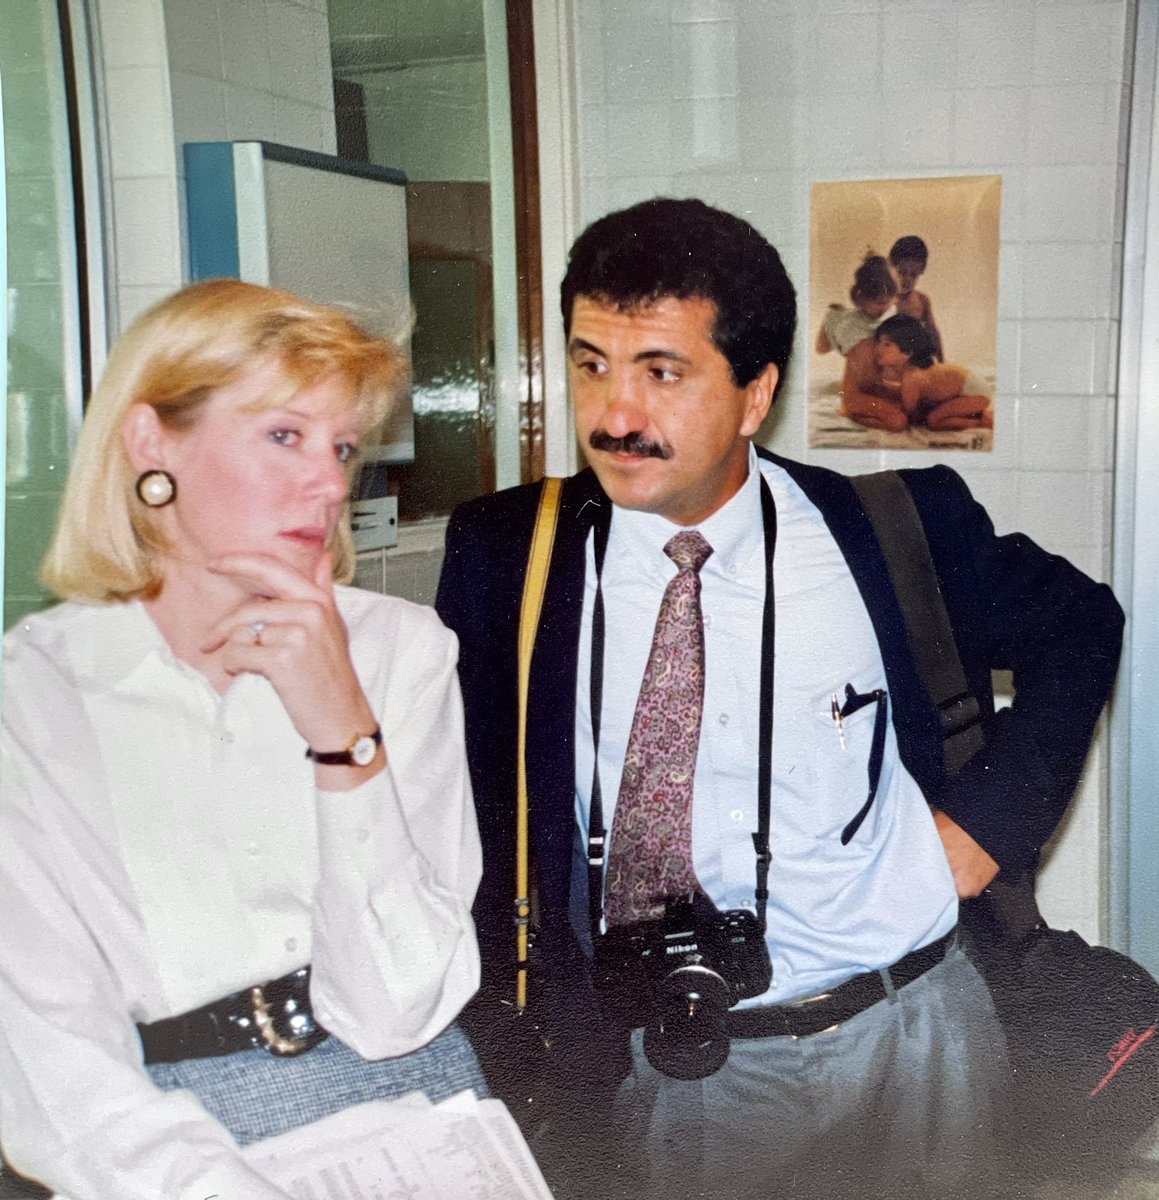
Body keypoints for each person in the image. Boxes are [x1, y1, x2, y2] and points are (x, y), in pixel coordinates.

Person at [435, 199, 1123, 1199]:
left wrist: (984, 826)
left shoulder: (890, 532)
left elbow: (1081, 621)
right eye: (591, 364)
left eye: (660, 372)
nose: (614, 414)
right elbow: (468, 804)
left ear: (755, 392)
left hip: (918, 1033)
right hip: (670, 1067)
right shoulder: (511, 556)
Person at [0, 280, 485, 1200]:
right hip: (157, 1152)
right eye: (284, 436)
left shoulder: (396, 652)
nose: (332, 481)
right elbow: (52, 1064)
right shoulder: (33, 695)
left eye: (340, 446)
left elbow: (400, 1009)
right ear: (150, 442)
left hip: (410, 1115)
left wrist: (342, 732)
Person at [873, 313, 993, 431]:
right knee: (938, 412)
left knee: (934, 421)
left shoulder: (912, 378)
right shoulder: (910, 374)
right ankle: (972, 414)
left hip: (975, 393)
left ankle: (983, 421)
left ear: (908, 353)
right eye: (879, 342)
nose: (878, 348)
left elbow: (910, 416)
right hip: (965, 389)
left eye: (887, 344)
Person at [814, 252, 897, 356]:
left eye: (888, 302)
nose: (884, 308)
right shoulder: (846, 322)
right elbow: (821, 349)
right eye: (880, 303)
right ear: (861, 299)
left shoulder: (895, 317)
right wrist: (833, 321)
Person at [889, 234, 944, 361]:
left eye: (913, 275)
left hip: (912, 360)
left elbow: (932, 331)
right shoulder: (885, 299)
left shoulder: (921, 300)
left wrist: (941, 361)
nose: (907, 279)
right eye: (901, 273)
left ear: (921, 271)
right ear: (891, 268)